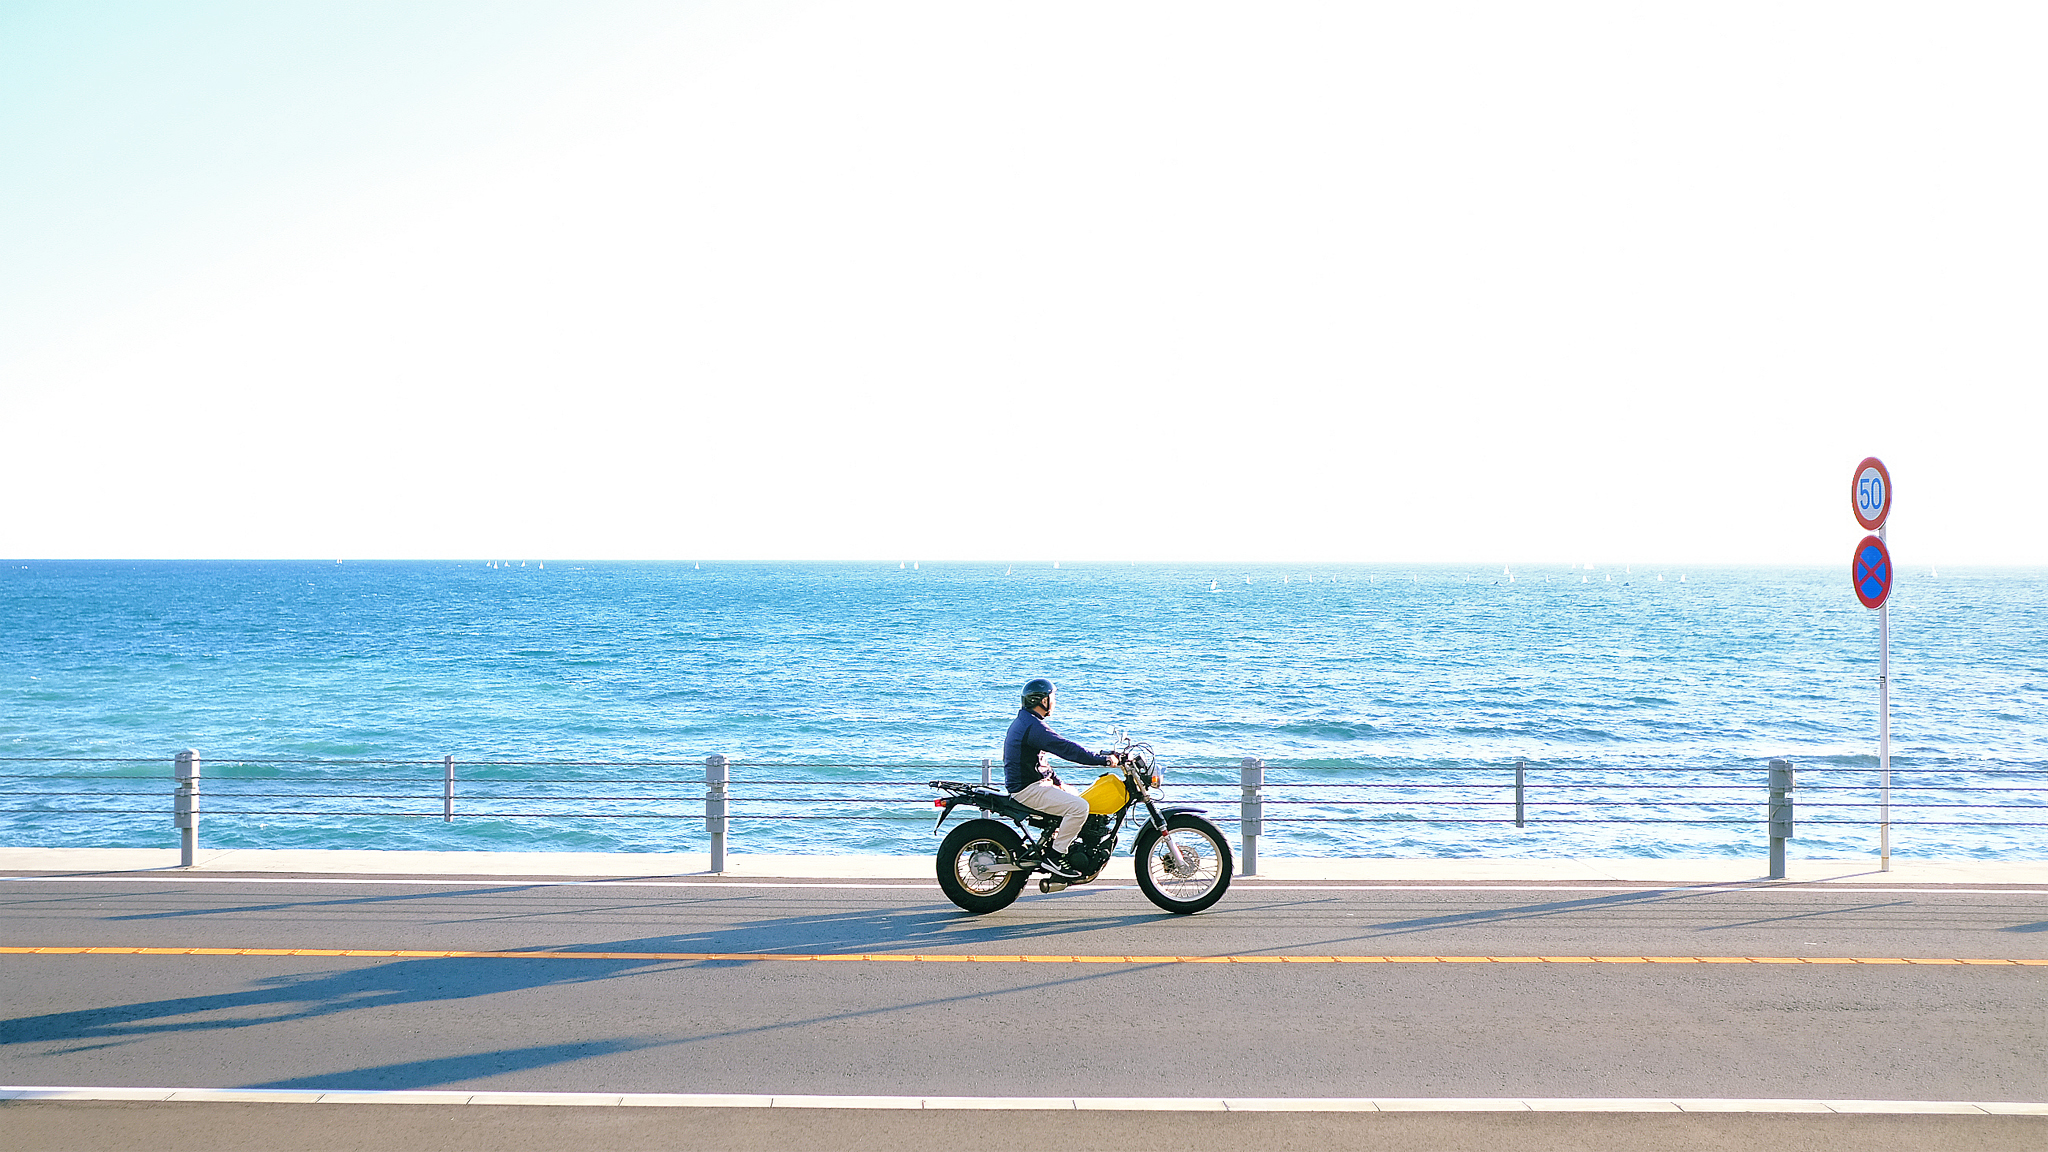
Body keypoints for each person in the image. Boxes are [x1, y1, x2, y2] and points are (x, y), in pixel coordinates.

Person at [1003, 678, 1120, 879]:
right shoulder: (1034, 727)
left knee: (1077, 795)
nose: (1054, 701)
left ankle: (1061, 841)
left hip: (1034, 783)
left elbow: (1039, 762)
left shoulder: (1028, 722)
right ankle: (1055, 856)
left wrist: (1058, 782)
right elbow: (1066, 748)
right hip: (1028, 789)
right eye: (1052, 697)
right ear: (1041, 701)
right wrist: (1103, 760)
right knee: (1079, 807)